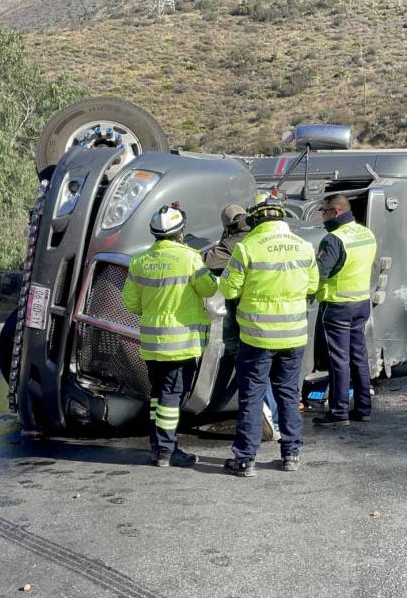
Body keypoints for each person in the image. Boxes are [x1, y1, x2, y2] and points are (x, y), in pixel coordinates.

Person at [220, 198, 318, 477]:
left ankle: (245, 460)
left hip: (257, 336)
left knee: (251, 396)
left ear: (255, 221)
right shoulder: (304, 247)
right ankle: (291, 454)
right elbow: (313, 285)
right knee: (288, 393)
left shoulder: (246, 248)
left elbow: (228, 290)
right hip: (294, 336)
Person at [122, 204, 218, 467]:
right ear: (180, 232)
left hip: (152, 344)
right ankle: (167, 450)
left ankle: (157, 445)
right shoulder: (189, 258)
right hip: (181, 343)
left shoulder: (139, 261)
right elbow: (209, 289)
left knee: (158, 395)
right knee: (171, 398)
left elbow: (130, 303)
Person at [203, 204, 281, 442]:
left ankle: (262, 422)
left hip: (252, 320)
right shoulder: (285, 242)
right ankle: (283, 430)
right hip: (288, 321)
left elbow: (213, 268)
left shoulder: (236, 245)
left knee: (255, 373)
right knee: (282, 377)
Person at [313, 194, 378, 426]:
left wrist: (307, 291)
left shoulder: (333, 239)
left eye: (324, 211)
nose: (322, 215)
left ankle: (338, 412)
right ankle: (363, 408)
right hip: (361, 303)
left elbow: (320, 274)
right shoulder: (366, 233)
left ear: (336, 212)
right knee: (359, 357)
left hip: (338, 305)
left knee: (338, 360)